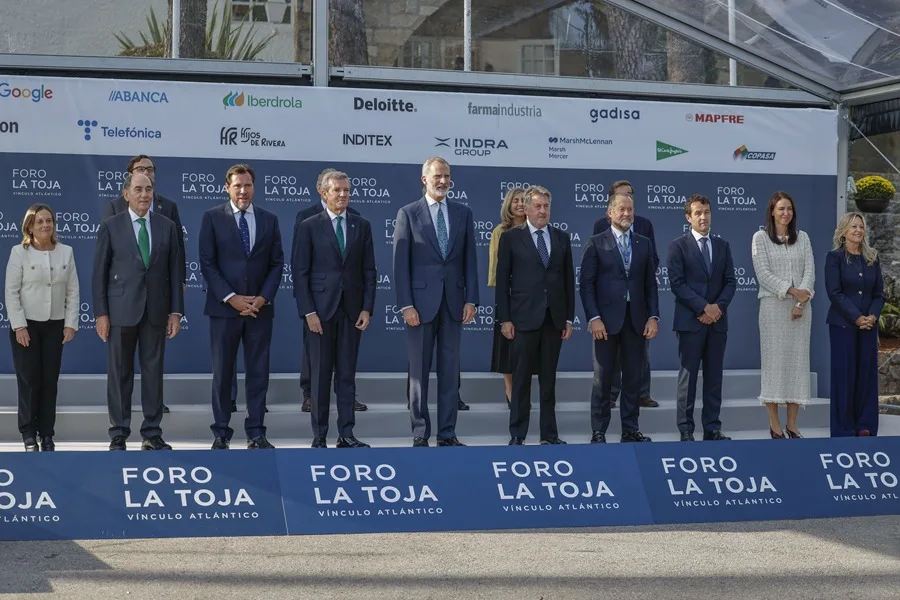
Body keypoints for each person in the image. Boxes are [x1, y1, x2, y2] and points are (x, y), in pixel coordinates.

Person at [93, 172, 183, 451]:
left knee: (153, 373)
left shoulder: (167, 226)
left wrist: (176, 312)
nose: (144, 195)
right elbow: (99, 274)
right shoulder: (111, 226)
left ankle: (152, 433)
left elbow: (175, 271)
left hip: (156, 311)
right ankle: (119, 432)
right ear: (126, 194)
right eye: (138, 189)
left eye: (149, 189)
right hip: (120, 311)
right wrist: (101, 314)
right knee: (119, 373)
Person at [393, 156, 478, 447]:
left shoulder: (463, 213)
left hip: (454, 303)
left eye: (447, 176)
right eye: (438, 176)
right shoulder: (408, 213)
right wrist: (406, 305)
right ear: (424, 179)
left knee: (449, 371)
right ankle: (420, 432)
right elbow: (399, 264)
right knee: (418, 372)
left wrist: (472, 300)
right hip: (419, 305)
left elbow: (470, 260)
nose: (443, 181)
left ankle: (447, 433)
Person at [199, 164, 284, 450]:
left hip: (260, 310)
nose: (243, 191)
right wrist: (232, 297)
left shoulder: (269, 220)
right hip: (224, 311)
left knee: (258, 374)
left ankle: (256, 433)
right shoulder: (212, 218)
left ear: (254, 187)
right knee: (223, 373)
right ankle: (221, 432)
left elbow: (276, 263)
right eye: (237, 186)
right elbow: (207, 264)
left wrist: (262, 298)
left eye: (247, 185)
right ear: (227, 187)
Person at [294, 171, 376, 448]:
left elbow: (369, 271)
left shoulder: (361, 225)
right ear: (323, 193)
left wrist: (367, 308)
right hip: (319, 312)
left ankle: (347, 433)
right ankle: (319, 435)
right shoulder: (308, 226)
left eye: (347, 191)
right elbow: (300, 272)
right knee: (319, 376)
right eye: (337, 190)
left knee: (346, 375)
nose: (343, 195)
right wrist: (309, 312)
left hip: (352, 312)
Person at [496, 186, 574, 445]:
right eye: (538, 206)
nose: (542, 211)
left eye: (546, 206)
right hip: (522, 320)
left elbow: (567, 281)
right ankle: (517, 435)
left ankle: (549, 435)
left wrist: (568, 318)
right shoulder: (510, 238)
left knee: (549, 382)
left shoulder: (562, 237)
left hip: (553, 320)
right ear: (526, 208)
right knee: (520, 382)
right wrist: (504, 319)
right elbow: (502, 282)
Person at [580, 187, 659, 444]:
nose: (627, 213)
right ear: (610, 212)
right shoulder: (595, 242)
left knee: (633, 377)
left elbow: (650, 285)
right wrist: (593, 318)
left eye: (630, 209)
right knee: (602, 379)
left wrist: (653, 316)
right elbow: (586, 285)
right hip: (605, 322)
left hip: (636, 321)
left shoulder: (644, 244)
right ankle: (598, 430)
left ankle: (630, 429)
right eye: (622, 209)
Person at [5, 205, 79, 452]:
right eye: (40, 222)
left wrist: (70, 323)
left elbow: (73, 290)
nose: (46, 225)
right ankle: (28, 434)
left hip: (54, 326)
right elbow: (11, 292)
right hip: (26, 326)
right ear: (30, 227)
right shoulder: (19, 253)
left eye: (49, 221)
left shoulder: (66, 252)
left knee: (49, 381)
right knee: (29, 380)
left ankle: (47, 434)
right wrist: (19, 326)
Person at [667, 194, 735, 442]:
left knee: (714, 377)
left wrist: (717, 308)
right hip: (690, 322)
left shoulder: (722, 246)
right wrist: (704, 308)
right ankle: (685, 429)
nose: (703, 217)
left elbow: (730, 282)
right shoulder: (678, 246)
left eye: (706, 212)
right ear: (688, 217)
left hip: (717, 323)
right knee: (689, 378)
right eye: (698, 213)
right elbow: (677, 284)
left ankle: (712, 428)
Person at [751, 191, 815, 439]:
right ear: (772, 212)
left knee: (797, 366)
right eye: (780, 209)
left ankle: (793, 425)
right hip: (773, 310)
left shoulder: (804, 238)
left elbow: (810, 271)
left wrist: (800, 302)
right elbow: (763, 274)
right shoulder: (760, 238)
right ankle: (774, 424)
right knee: (774, 366)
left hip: (801, 310)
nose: (785, 213)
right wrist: (790, 291)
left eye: (789, 208)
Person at [825, 212, 885, 437]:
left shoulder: (872, 257)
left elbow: (879, 293)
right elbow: (834, 292)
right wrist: (856, 317)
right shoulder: (834, 258)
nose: (858, 230)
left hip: (869, 326)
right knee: (845, 377)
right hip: (843, 326)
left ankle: (865, 425)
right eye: (853, 227)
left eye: (861, 226)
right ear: (843, 232)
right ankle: (844, 428)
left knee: (866, 376)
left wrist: (872, 316)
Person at [488, 187, 526, 407]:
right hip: (508, 296)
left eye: (523, 200)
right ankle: (510, 390)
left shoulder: (536, 230)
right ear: (508, 205)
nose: (520, 204)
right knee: (507, 347)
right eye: (515, 201)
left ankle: (523, 389)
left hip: (530, 298)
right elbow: (495, 268)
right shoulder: (500, 231)